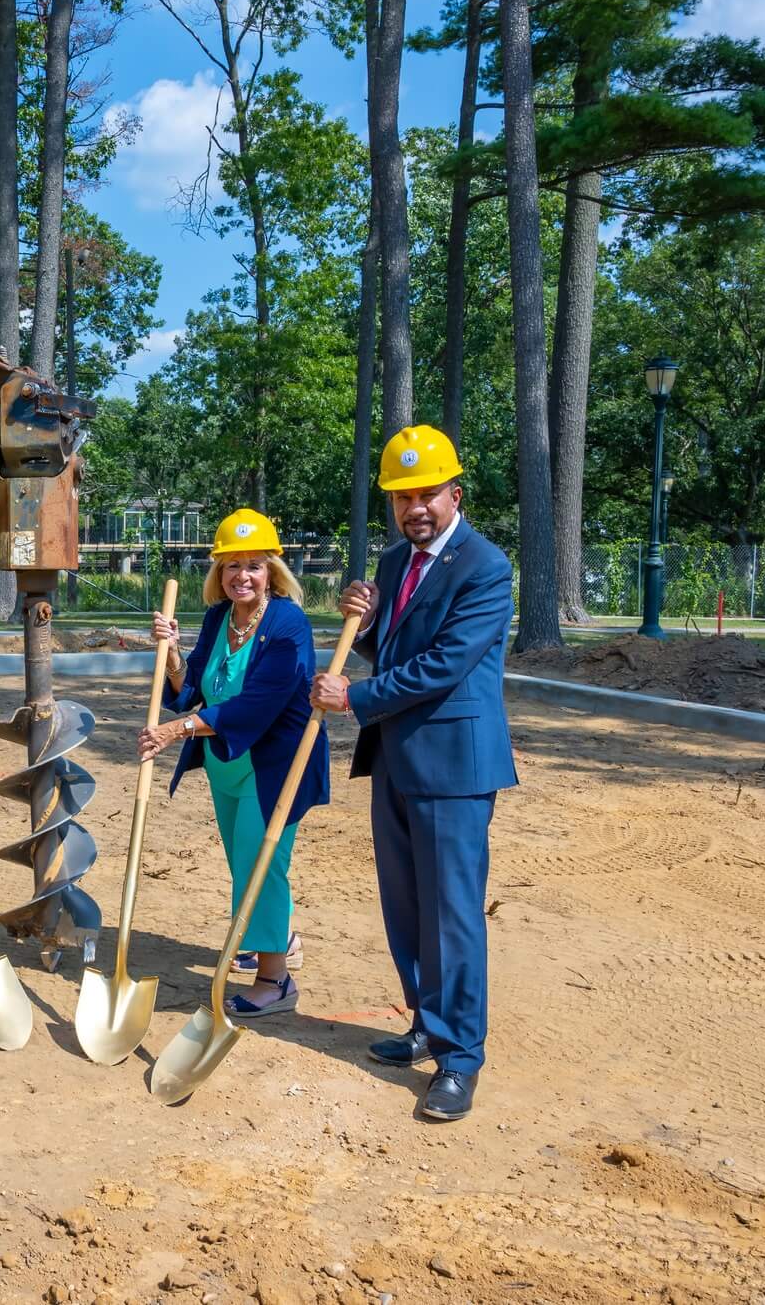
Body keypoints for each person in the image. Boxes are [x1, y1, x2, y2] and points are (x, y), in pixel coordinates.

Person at [311, 425, 517, 1121]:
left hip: (453, 765)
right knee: (406, 907)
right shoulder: (397, 561)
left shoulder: (485, 566)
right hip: (395, 759)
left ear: (454, 492)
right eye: (402, 496)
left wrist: (355, 698)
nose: (414, 506)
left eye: (426, 491)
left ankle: (460, 1058)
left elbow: (444, 664)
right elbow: (399, 643)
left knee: (454, 914)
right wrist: (362, 626)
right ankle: (428, 1023)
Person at [138, 509, 329, 1017]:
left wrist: (175, 730)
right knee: (244, 862)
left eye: (253, 566)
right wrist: (173, 653)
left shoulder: (288, 624)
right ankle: (278, 937)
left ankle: (276, 981)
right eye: (230, 566)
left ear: (273, 571)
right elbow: (193, 686)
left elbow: (256, 706)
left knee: (261, 866)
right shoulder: (220, 617)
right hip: (227, 761)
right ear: (217, 572)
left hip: (274, 767)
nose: (241, 576)